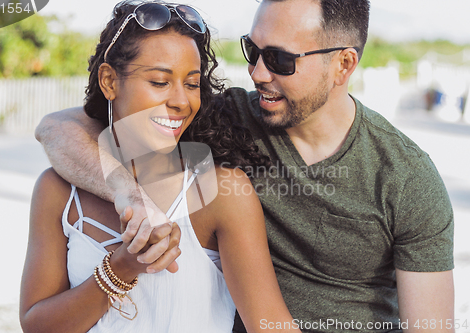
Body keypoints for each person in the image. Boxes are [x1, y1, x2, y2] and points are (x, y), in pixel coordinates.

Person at [35, 0, 455, 332]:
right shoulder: (229, 119)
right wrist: (129, 194)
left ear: (343, 64)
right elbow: (60, 128)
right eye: (252, 51)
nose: (256, 72)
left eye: (279, 60)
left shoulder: (406, 179)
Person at [20, 1, 299, 332]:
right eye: (159, 81)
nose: (182, 101)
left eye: (192, 84)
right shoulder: (58, 191)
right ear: (109, 81)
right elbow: (36, 325)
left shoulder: (221, 192)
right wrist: (121, 269)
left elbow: (271, 326)